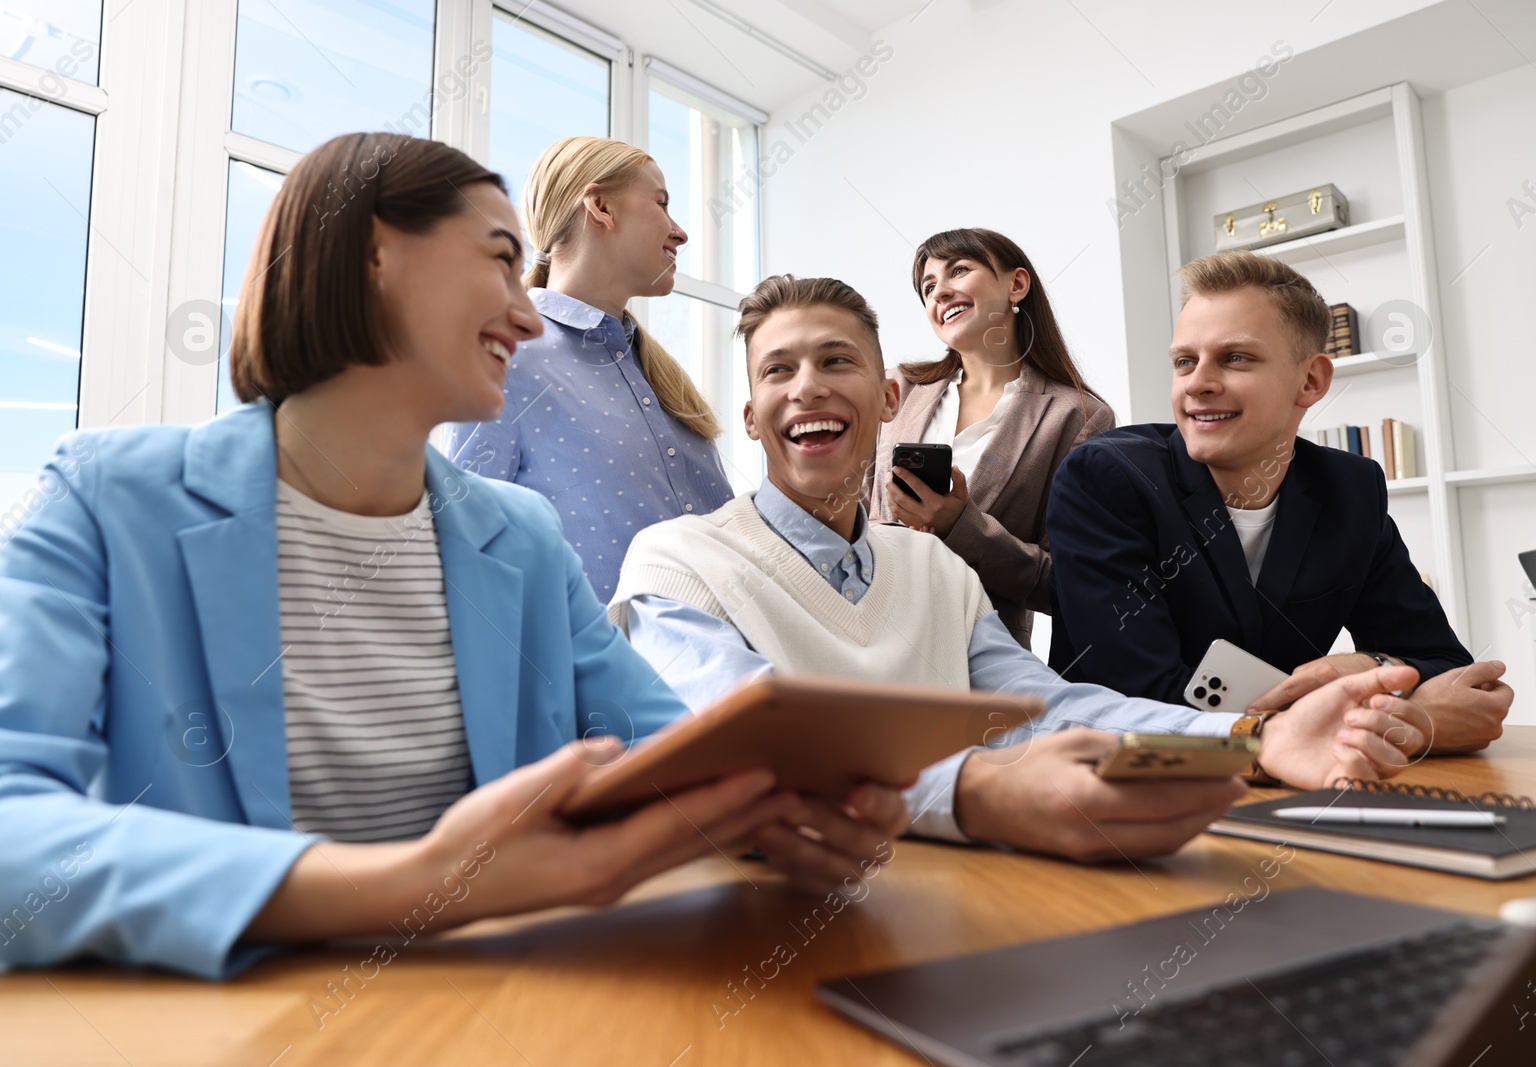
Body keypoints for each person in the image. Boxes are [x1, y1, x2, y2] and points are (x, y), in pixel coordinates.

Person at [0, 134, 903, 979]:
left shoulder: (523, 537)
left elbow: (675, 753)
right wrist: (416, 885)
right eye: (503, 261)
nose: (525, 313)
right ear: (373, 252)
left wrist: (793, 806)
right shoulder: (105, 498)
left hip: (488, 1006)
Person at [608, 274, 1433, 860]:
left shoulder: (936, 568)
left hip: (953, 900)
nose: (808, 388)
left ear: (890, 401)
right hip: (757, 922)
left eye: (837, 362)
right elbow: (748, 743)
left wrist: (1249, 739)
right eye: (778, 370)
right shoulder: (678, 559)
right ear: (750, 416)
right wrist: (979, 791)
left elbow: (1046, 708)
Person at [1047, 251, 1511, 752]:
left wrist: (1370, 666)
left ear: (1310, 381)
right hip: (1126, 781)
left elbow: (1448, 667)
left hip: (1293, 782)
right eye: (1185, 361)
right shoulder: (1106, 479)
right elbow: (1142, 699)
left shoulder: (1351, 489)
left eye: (1235, 358)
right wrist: (1410, 716)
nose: (1197, 383)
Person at [443, 136, 733, 603]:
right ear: (600, 206)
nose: (680, 232)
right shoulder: (509, 355)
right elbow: (464, 545)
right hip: (592, 669)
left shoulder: (663, 380)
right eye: (661, 203)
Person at [865, 228, 1113, 648]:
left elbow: (1070, 583)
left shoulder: (1078, 417)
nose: (939, 292)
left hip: (981, 660)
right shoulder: (896, 389)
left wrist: (962, 527)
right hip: (867, 640)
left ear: (1016, 285)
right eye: (928, 287)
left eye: (958, 270)